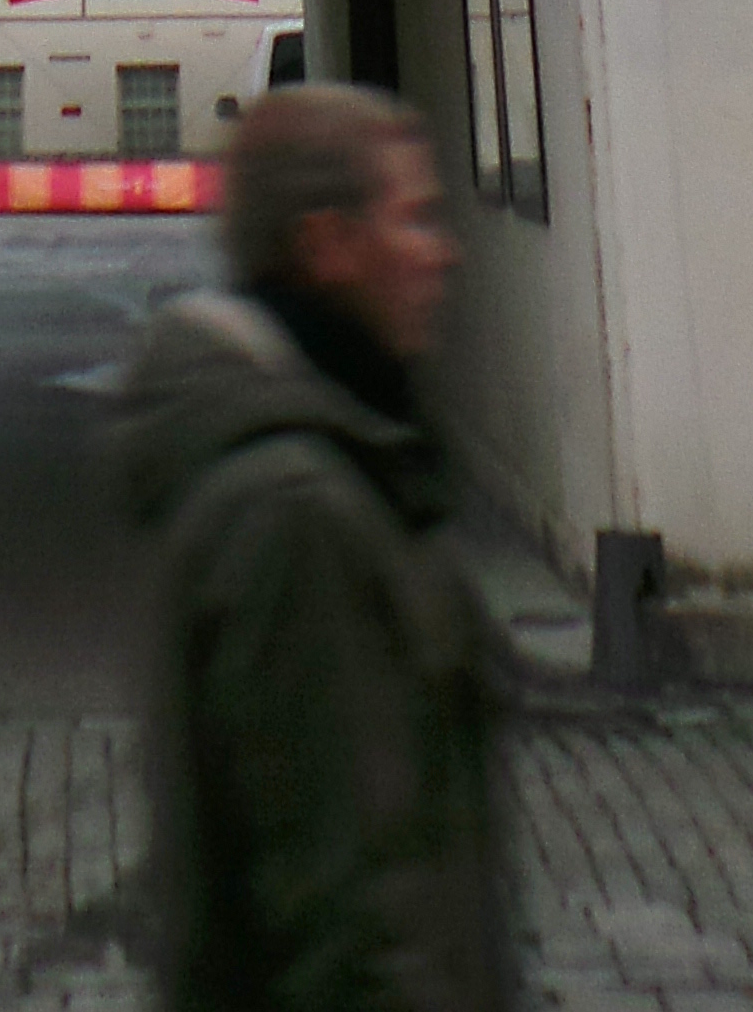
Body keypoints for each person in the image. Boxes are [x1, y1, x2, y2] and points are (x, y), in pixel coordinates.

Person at [119, 81, 508, 1012]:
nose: (442, 253)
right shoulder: (298, 512)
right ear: (329, 244)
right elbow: (350, 917)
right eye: (413, 218)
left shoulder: (352, 457)